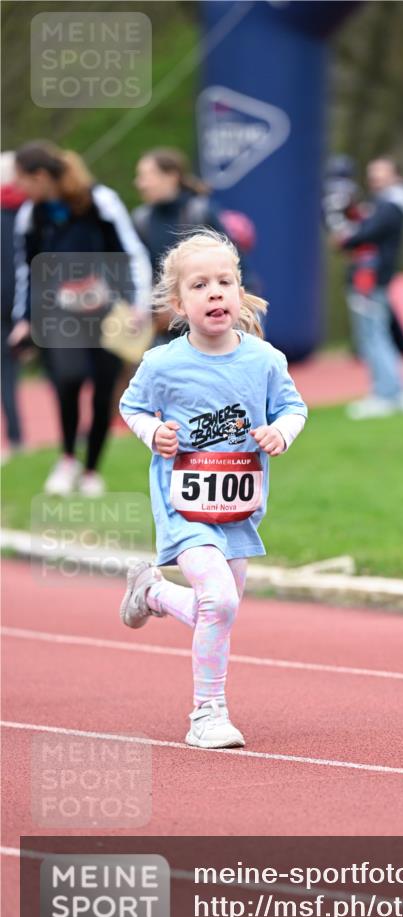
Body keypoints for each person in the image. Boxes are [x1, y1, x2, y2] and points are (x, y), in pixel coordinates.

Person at [118, 230, 307, 749]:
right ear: (179, 303)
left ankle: (152, 591)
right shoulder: (162, 364)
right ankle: (207, 713)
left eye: (225, 281)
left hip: (239, 508)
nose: (216, 292)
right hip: (185, 508)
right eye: (200, 285)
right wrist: (152, 433)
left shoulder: (265, 360)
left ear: (240, 292)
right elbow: (131, 407)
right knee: (218, 603)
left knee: (219, 611)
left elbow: (294, 407)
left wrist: (281, 432)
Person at [9, 141, 152, 495]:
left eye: (22, 181)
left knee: (104, 390)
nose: (18, 189)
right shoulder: (32, 214)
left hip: (109, 311)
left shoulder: (100, 201)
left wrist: (139, 303)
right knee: (68, 382)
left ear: (40, 176)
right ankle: (69, 457)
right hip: (59, 314)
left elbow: (131, 252)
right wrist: (23, 319)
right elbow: (27, 271)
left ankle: (91, 471)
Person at [133, 148, 258, 343]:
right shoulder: (141, 220)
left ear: (171, 177)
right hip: (164, 328)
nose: (140, 184)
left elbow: (237, 266)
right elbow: (141, 274)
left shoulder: (200, 212)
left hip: (208, 318)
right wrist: (154, 310)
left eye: (146, 176)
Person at [333, 156, 403, 419]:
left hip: (370, 279)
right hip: (373, 278)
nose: (375, 179)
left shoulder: (390, 206)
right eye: (372, 174)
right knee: (378, 334)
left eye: (382, 173)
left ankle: (385, 394)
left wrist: (345, 237)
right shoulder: (388, 204)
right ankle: (396, 390)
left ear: (397, 176)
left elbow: (364, 234)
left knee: (372, 336)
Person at [1, 152, 26, 458]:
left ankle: (16, 439)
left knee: (6, 377)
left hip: (15, 310)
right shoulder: (34, 212)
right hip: (34, 306)